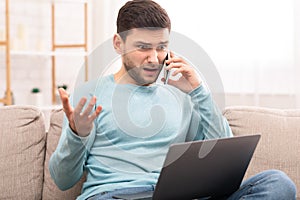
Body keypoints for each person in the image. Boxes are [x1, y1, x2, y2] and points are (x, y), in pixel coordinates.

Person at [49, 0, 297, 199]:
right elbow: (63, 180)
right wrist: (76, 134)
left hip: (176, 195)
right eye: (143, 47)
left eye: (161, 47)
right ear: (118, 44)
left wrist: (198, 91)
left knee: (277, 183)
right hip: (115, 195)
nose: (155, 58)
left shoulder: (181, 95)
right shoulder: (90, 96)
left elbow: (224, 161)